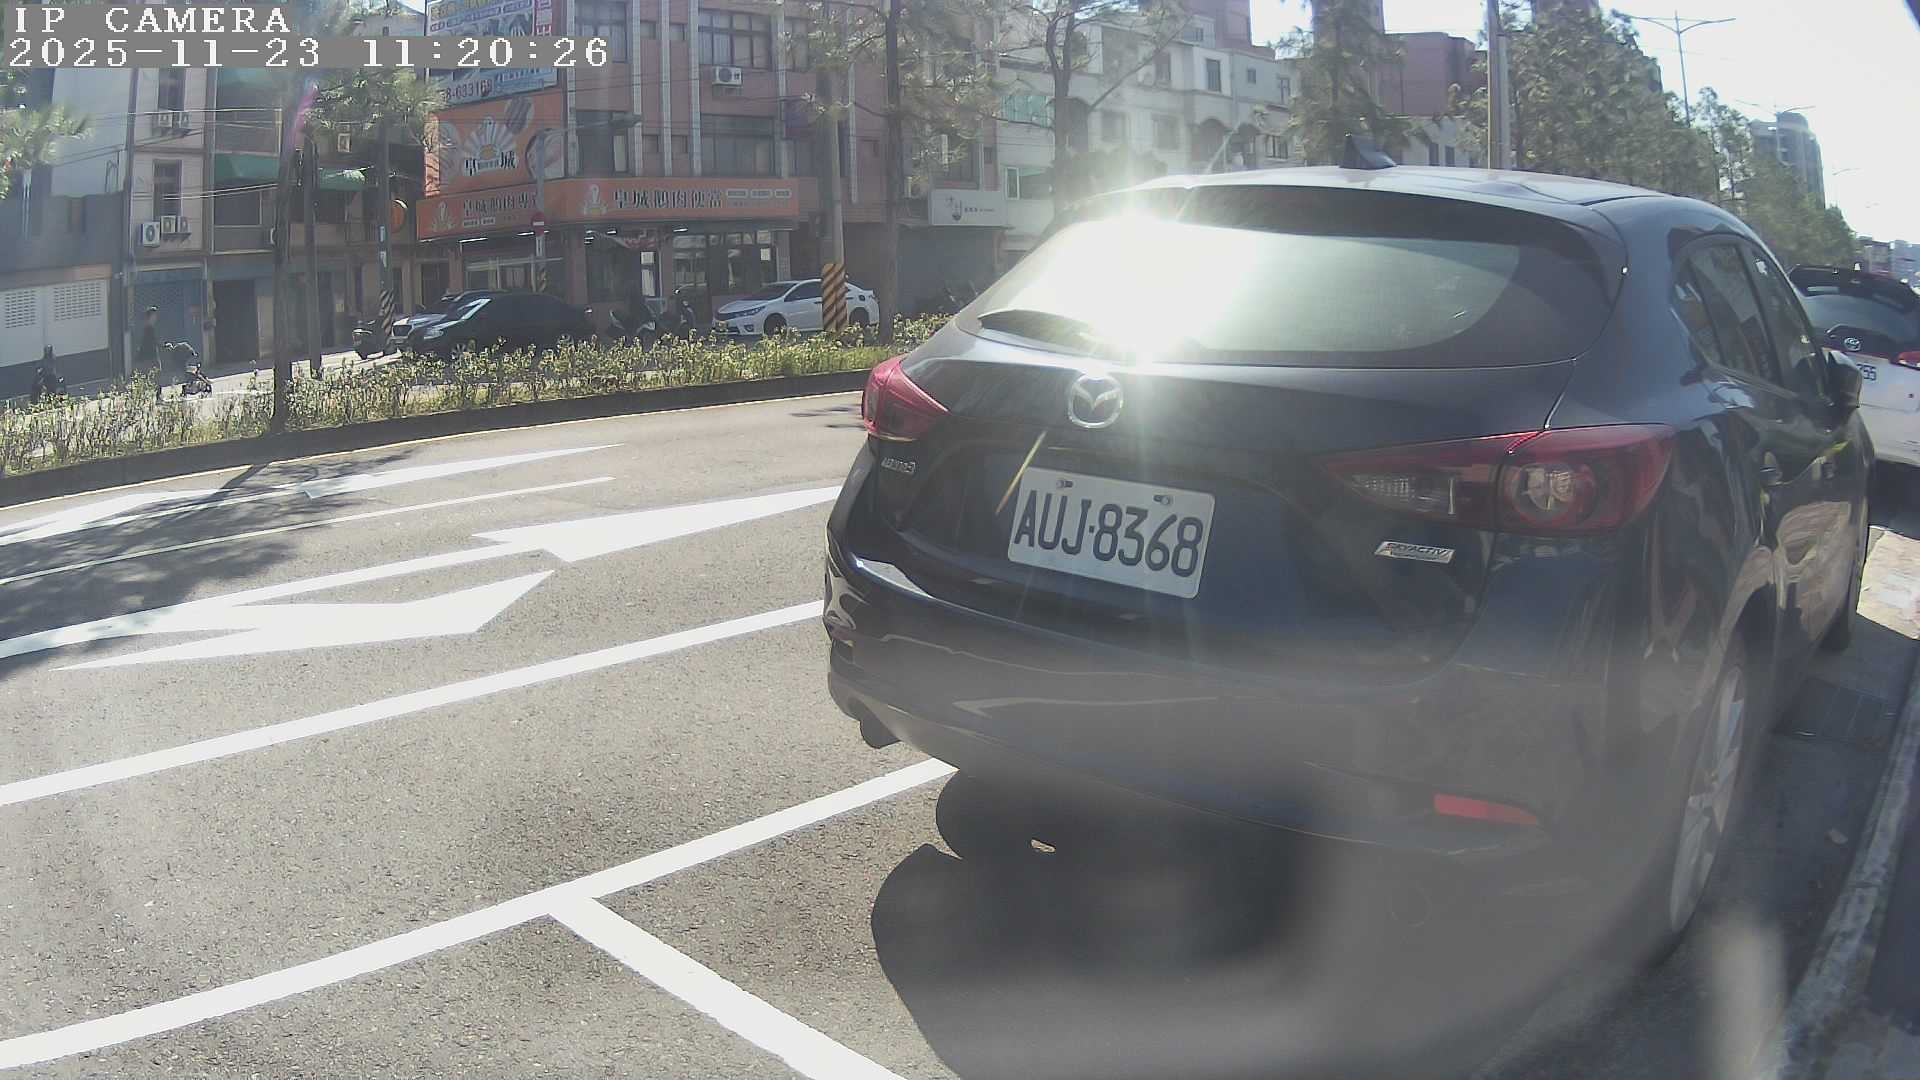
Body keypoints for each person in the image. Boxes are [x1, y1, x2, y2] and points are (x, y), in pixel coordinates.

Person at [135, 307, 162, 400]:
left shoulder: (148, 328)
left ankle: (144, 396)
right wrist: (161, 345)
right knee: (156, 375)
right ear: (150, 316)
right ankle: (157, 396)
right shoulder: (148, 328)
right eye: (154, 315)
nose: (156, 317)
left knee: (150, 376)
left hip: (148, 356)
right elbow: (151, 342)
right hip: (150, 356)